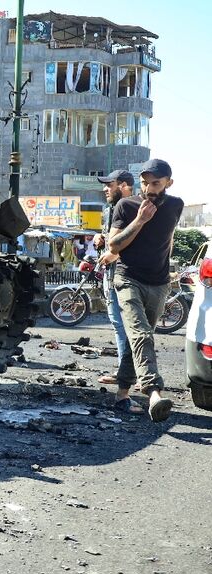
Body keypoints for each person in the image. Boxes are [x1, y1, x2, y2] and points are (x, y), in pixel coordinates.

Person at [108, 159, 183, 422]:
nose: (149, 189)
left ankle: (121, 396)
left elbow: (168, 238)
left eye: (156, 183)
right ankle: (153, 393)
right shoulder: (126, 206)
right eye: (145, 183)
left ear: (168, 183)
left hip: (159, 283)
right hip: (128, 279)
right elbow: (114, 246)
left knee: (138, 340)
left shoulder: (176, 205)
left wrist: (168, 271)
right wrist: (140, 221)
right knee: (141, 334)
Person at [92, 169, 137, 412]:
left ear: (124, 185)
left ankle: (130, 378)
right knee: (119, 326)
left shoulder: (135, 207)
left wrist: (114, 253)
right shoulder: (112, 209)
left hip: (127, 276)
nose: (105, 189)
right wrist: (100, 239)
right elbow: (112, 238)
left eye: (110, 184)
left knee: (130, 329)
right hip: (112, 275)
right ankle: (124, 373)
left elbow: (136, 241)